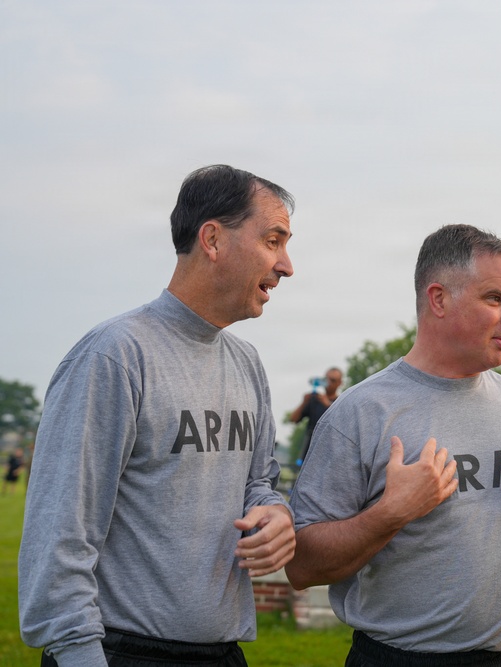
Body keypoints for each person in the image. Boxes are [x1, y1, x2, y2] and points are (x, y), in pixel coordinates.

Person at [19, 165, 298, 667]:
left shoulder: (247, 363)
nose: (286, 265)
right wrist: (79, 654)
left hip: (223, 653)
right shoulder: (113, 356)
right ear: (212, 239)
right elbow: (60, 533)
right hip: (118, 652)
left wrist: (275, 513)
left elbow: (259, 482)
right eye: (273, 241)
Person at [286, 224, 501, 667]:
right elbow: (302, 568)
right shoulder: (362, 413)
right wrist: (391, 514)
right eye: (495, 298)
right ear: (439, 299)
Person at [290, 366, 343, 463]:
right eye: (326, 379)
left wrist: (327, 404)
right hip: (310, 450)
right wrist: (304, 402)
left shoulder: (341, 402)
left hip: (330, 452)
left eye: (333, 380)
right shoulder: (314, 400)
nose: (329, 383)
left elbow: (343, 423)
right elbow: (293, 419)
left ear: (340, 383)